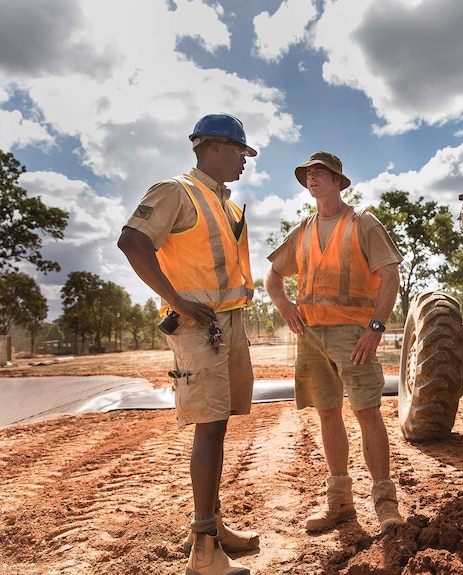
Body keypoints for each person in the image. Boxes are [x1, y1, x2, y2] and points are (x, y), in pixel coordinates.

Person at [118, 113, 259, 575]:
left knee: (220, 424)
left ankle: (211, 528)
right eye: (241, 151)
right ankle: (203, 550)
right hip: (199, 327)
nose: (244, 161)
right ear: (215, 147)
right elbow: (132, 240)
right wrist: (174, 298)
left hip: (226, 323)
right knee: (209, 428)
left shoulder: (227, 204)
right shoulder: (176, 191)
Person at [264, 151, 406, 533]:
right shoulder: (304, 229)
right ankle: (340, 504)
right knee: (327, 413)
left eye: (320, 172)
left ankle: (385, 503)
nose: (312, 178)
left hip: (354, 336)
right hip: (310, 337)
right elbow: (273, 277)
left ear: (338, 181)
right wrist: (284, 306)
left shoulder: (363, 223)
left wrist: (376, 327)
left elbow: (390, 275)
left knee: (367, 412)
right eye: (308, 173)